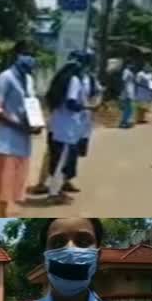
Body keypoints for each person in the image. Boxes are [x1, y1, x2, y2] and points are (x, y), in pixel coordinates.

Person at [0, 217, 146, 301]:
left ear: (98, 255)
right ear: (45, 258)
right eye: (58, 242)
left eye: (83, 242)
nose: (70, 250)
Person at [0, 41, 43, 217]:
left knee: (14, 186)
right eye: (26, 54)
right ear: (16, 55)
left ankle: (5, 219)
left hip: (22, 142)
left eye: (33, 55)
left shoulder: (28, 80)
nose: (30, 58)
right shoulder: (6, 77)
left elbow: (31, 105)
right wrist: (20, 126)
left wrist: (36, 123)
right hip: (6, 141)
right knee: (0, 188)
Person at [43, 53, 91, 205]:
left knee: (58, 160)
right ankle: (53, 193)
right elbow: (71, 103)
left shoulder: (63, 79)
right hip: (67, 128)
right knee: (62, 162)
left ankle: (58, 191)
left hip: (59, 126)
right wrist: (86, 106)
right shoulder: (75, 80)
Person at [119, 61, 137, 128]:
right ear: (127, 64)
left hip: (130, 92)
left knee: (129, 108)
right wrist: (126, 92)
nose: (132, 65)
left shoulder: (130, 71)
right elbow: (124, 81)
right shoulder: (126, 71)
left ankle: (126, 122)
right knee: (128, 108)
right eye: (131, 64)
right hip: (127, 92)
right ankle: (124, 122)